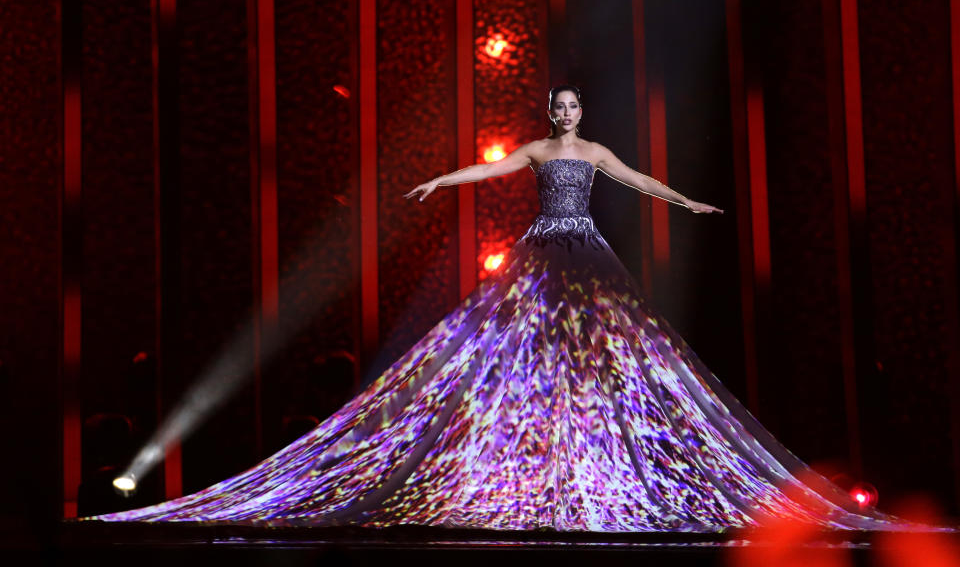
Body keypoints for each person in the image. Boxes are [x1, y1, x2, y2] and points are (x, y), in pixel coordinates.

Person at [90, 86, 917, 532]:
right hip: (544, 244)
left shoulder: (590, 153)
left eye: (569, 109)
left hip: (582, 247)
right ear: (549, 115)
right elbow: (483, 177)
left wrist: (688, 203)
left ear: (578, 115)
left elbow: (634, 181)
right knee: (513, 343)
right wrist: (438, 183)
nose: (563, 117)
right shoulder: (536, 153)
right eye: (556, 109)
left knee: (605, 350)